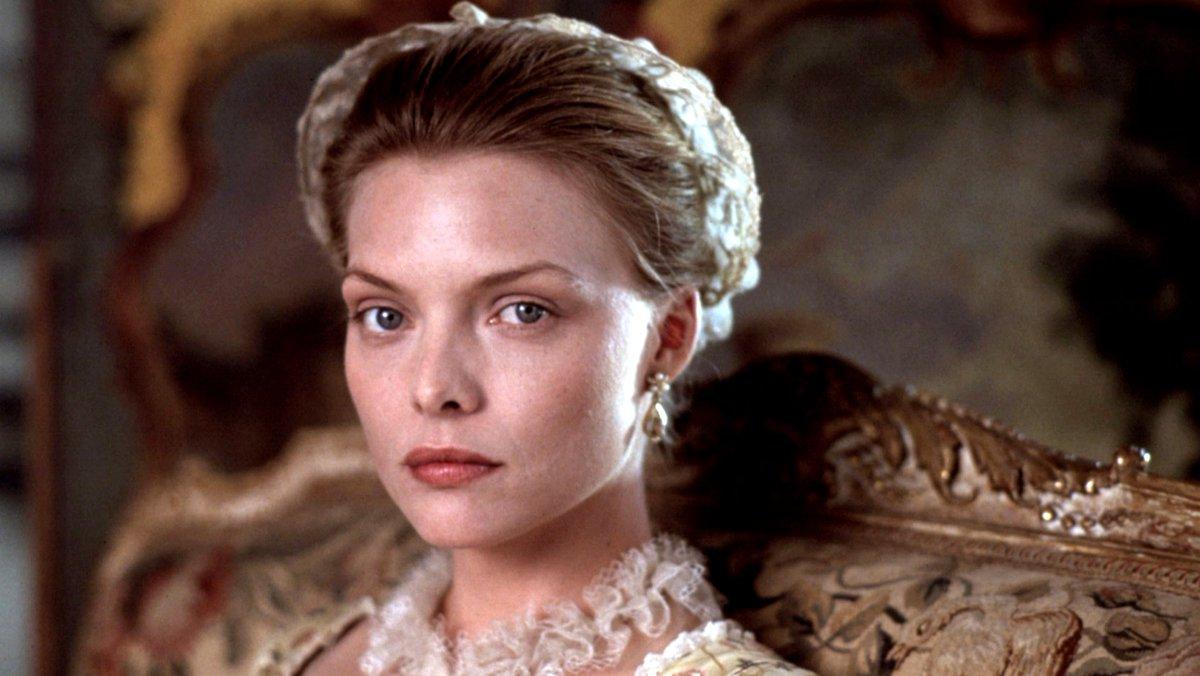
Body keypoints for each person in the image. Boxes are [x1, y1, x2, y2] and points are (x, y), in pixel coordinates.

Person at [264, 2, 812, 674]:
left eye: (523, 312)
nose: (434, 389)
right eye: (386, 316)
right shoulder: (317, 657)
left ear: (668, 337)